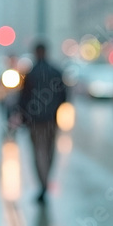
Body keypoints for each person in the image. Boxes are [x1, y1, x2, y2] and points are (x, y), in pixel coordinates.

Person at [17, 43, 67, 203]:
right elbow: (64, 96)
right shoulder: (56, 72)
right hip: (51, 119)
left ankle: (43, 183)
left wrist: (24, 116)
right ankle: (45, 181)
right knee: (49, 150)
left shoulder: (31, 73)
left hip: (35, 120)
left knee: (39, 151)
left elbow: (23, 98)